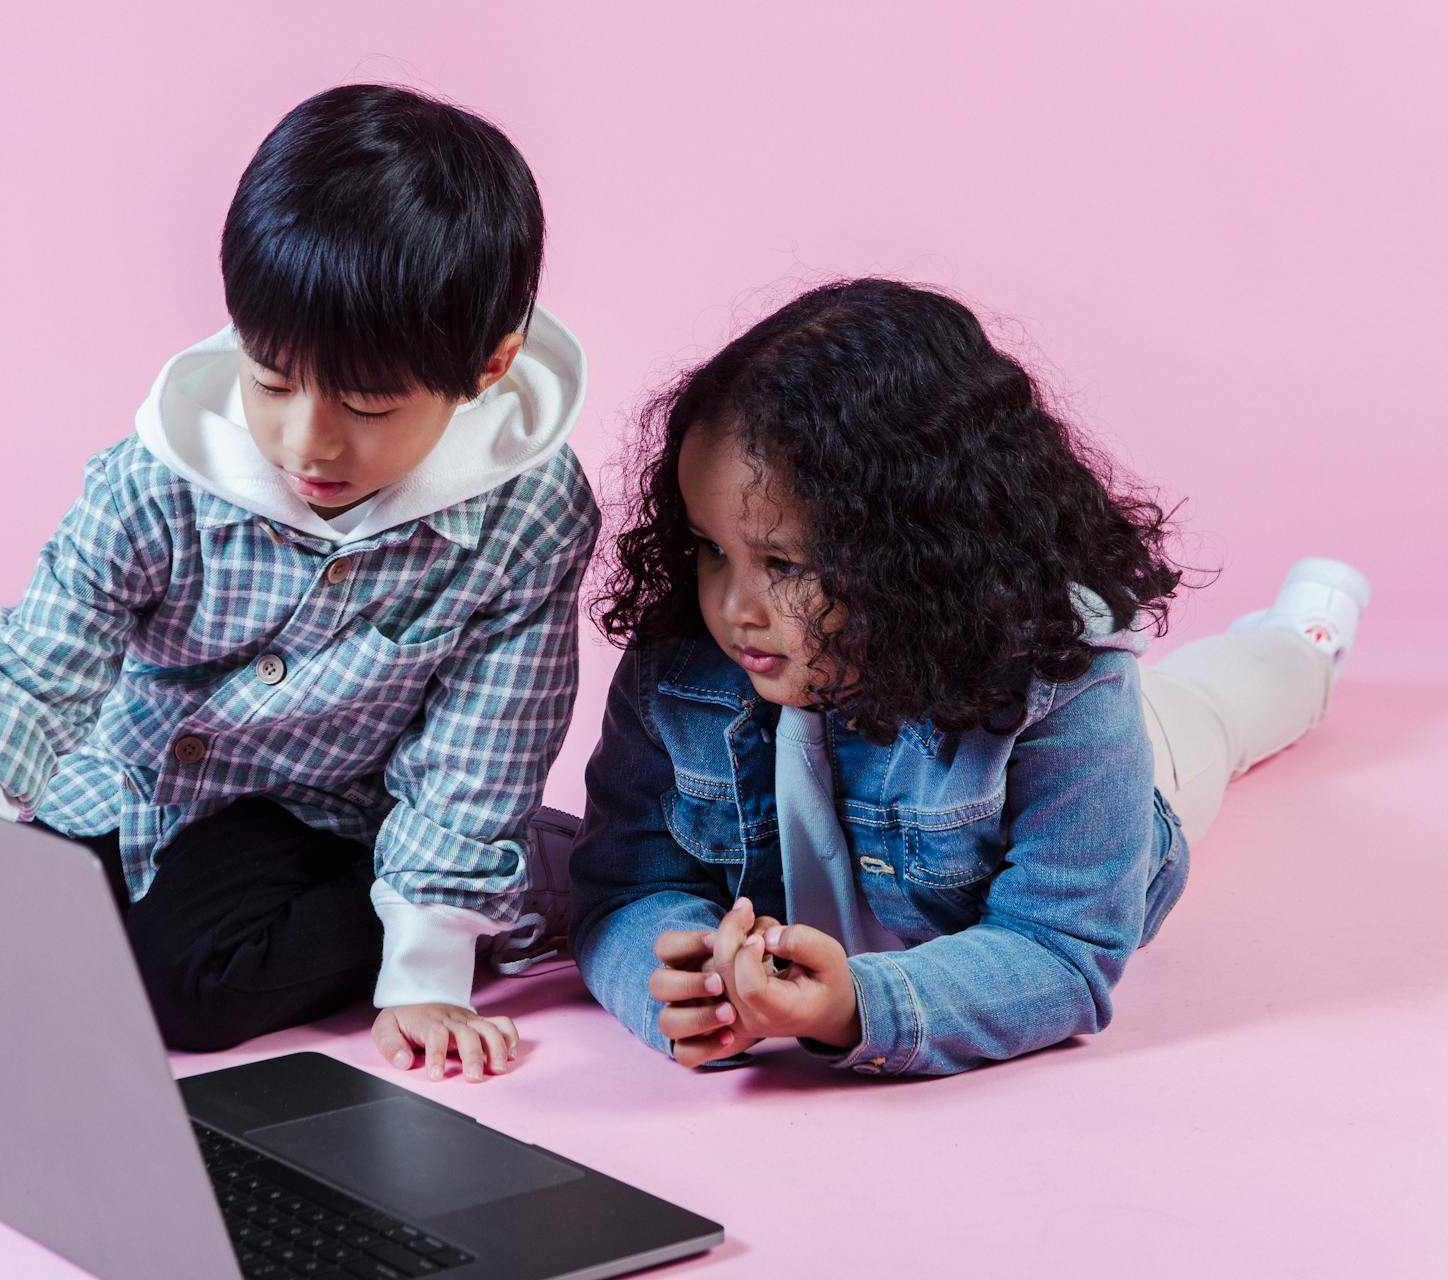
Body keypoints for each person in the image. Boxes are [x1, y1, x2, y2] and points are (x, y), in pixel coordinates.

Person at [0, 84, 599, 1084]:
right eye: (272, 380)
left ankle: (525, 884)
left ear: (489, 366)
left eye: (369, 403)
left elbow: (485, 743)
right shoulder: (161, 471)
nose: (310, 441)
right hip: (131, 777)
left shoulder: (531, 509)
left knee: (190, 991)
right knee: (16, 926)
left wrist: (426, 959)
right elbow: (32, 672)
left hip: (322, 811)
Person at [569, 278, 1370, 1076]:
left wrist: (858, 1009)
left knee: (1214, 707)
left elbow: (1061, 949)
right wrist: (679, 989)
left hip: (1131, 766)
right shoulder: (677, 670)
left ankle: (1306, 637)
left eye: (783, 563)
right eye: (711, 548)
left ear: (913, 555)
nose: (733, 606)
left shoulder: (1065, 683)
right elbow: (623, 889)